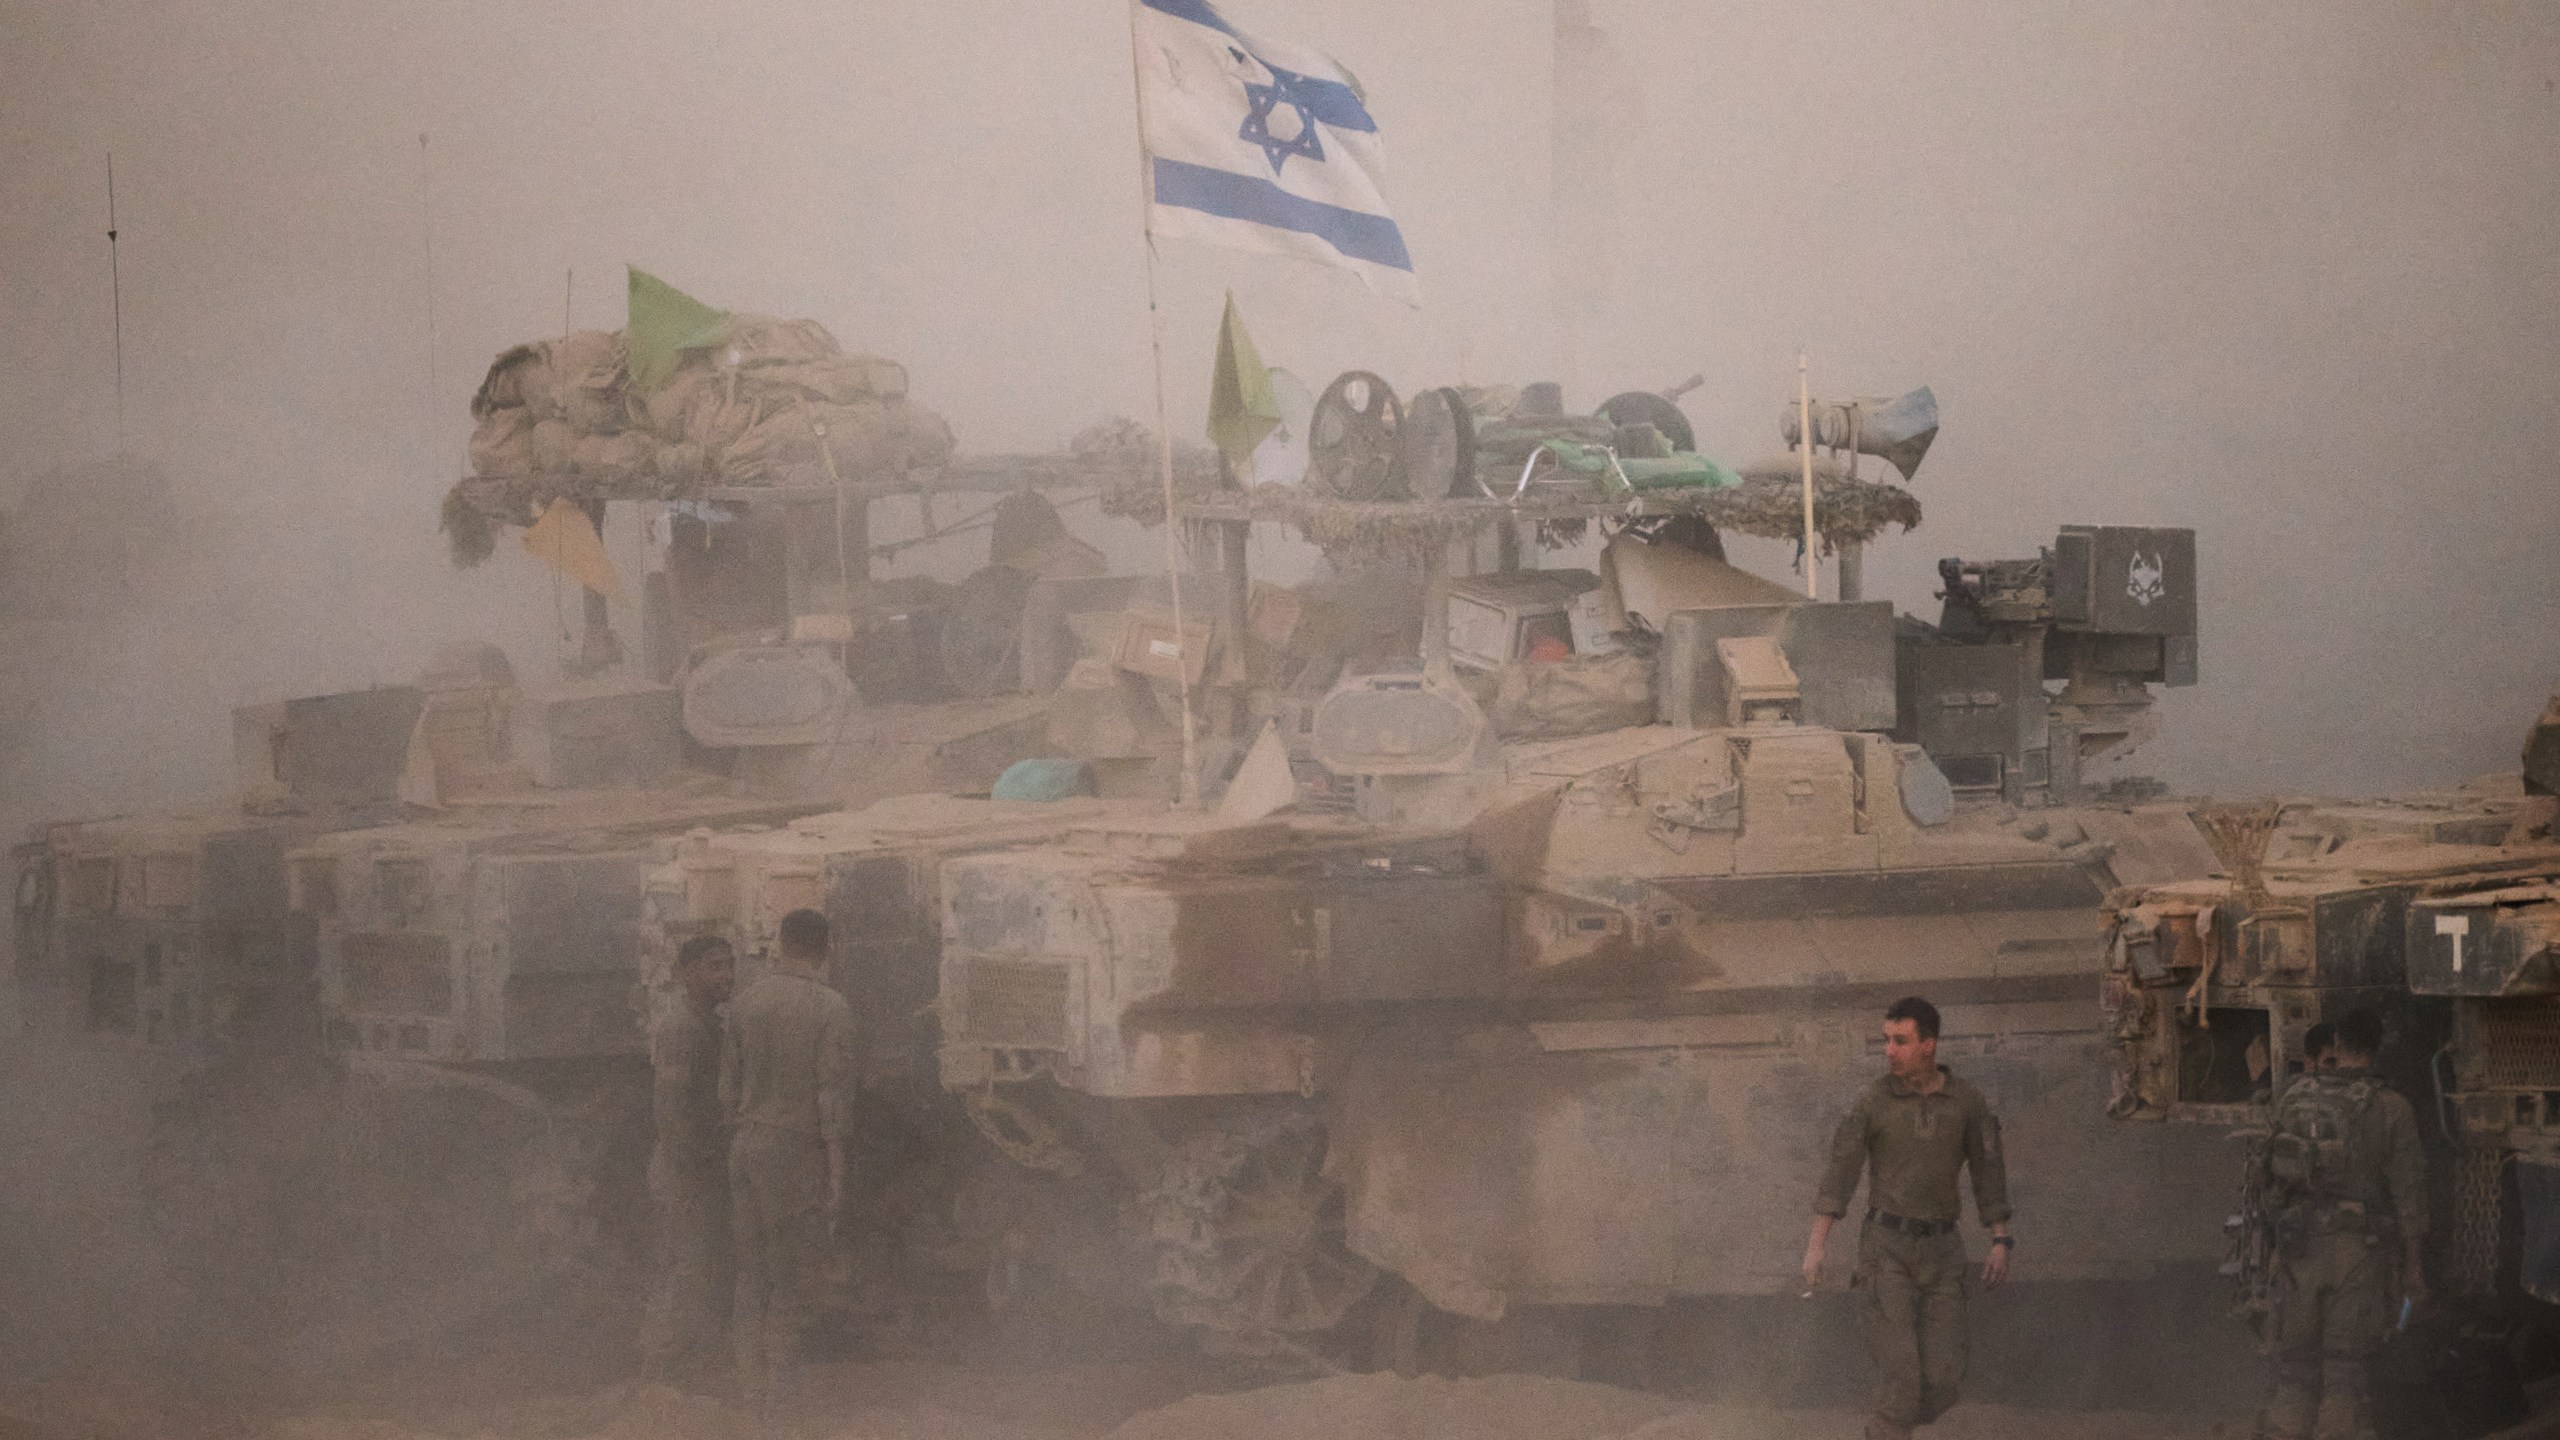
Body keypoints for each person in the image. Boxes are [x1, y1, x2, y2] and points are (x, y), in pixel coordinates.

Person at [1803, 996, 2013, 1440]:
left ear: (1929, 1045)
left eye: (1901, 1041)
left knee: (1942, 1382)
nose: (1889, 1051)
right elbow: (1840, 1173)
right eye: (1886, 1040)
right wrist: (1816, 1246)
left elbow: (1988, 1172)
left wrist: (2000, 1239)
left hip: (1942, 1252)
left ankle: (1888, 1426)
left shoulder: (1967, 1103)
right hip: (1886, 1250)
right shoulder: (1873, 1102)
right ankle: (1890, 1426)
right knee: (1900, 1379)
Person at [2255, 1008, 2426, 1440]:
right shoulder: (2391, 1108)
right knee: (2345, 1380)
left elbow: (2264, 1176)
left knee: (2292, 1378)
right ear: (2376, 1047)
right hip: (2356, 1254)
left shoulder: (2290, 1097)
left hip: (2295, 1252)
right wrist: (2414, 1269)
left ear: (2336, 1044)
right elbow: (2410, 1196)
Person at [722, 908, 856, 1424]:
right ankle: (780, 1403)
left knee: (750, 1273)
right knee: (791, 1274)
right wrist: (836, 1179)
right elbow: (833, 1103)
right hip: (795, 1151)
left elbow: (727, 1093)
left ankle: (748, 1392)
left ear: (781, 942)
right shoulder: (831, 1008)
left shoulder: (744, 1003)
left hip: (746, 1146)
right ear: (827, 947)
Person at [640, 934, 736, 1384]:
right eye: (713, 966)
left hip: (699, 1169)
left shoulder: (705, 1023)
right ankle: (661, 1372)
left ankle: (686, 1367)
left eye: (728, 966)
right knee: (686, 1270)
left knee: (700, 1268)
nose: (725, 975)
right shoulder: (683, 1028)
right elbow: (673, 1111)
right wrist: (699, 1166)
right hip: (686, 1173)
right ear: (687, 973)